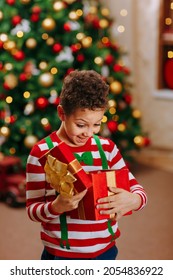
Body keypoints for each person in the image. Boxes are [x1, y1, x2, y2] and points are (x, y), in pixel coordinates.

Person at [26, 69, 147, 260]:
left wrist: (134, 200)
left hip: (105, 251)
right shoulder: (41, 152)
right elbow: (32, 210)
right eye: (81, 125)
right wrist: (56, 207)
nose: (89, 133)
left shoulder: (107, 149)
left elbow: (136, 189)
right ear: (62, 113)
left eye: (97, 124)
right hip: (61, 255)